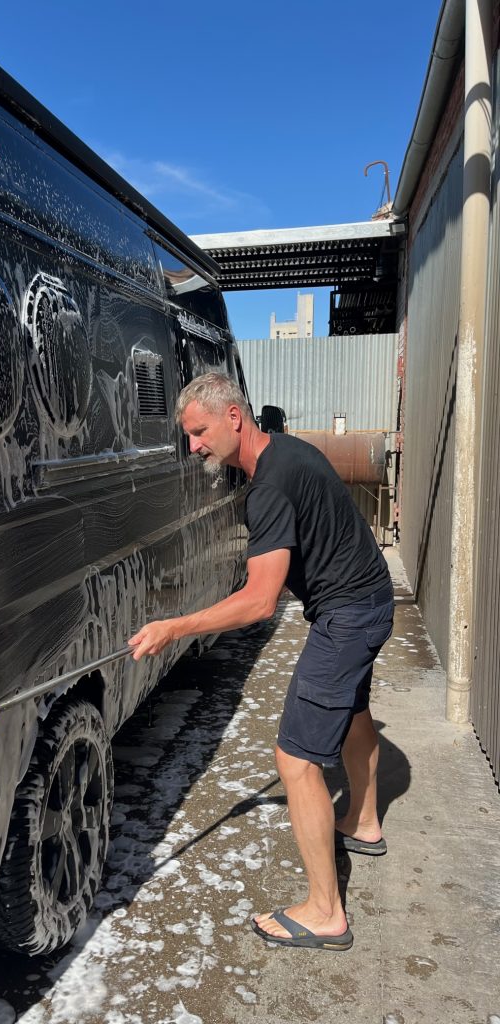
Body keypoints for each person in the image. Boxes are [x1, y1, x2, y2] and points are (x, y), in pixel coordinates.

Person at [128, 372, 393, 952]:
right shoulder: (287, 451)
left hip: (347, 617)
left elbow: (259, 601)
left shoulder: (268, 489)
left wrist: (175, 627)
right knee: (353, 711)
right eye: (189, 435)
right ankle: (364, 820)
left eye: (200, 431)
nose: (193, 445)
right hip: (371, 599)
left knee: (295, 759)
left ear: (233, 418)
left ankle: (325, 913)